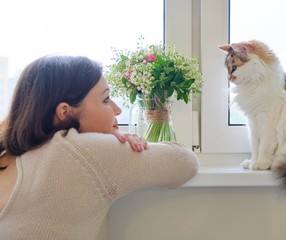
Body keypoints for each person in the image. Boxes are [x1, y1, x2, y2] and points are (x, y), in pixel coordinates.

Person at [0, 55, 199, 239]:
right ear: (65, 112)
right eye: (105, 100)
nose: (118, 109)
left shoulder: (8, 153)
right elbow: (186, 162)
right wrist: (117, 142)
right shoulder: (81, 151)